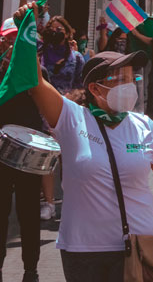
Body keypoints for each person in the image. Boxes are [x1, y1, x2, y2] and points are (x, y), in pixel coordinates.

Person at [23, 38, 153, 282]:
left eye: (131, 78)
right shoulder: (71, 118)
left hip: (141, 246)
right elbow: (35, 81)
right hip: (84, 253)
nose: (129, 86)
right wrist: (27, 31)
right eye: (119, 79)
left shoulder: (143, 125)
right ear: (95, 88)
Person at [0, 17, 45, 281]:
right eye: (9, 37)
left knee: (29, 213)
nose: (13, 42)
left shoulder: (36, 72)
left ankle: (31, 269)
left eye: (18, 38)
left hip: (29, 152)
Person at [38, 15, 84, 223]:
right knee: (46, 161)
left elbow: (81, 86)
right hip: (42, 114)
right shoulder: (40, 55)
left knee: (69, 160)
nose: (55, 32)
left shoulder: (76, 59)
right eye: (52, 28)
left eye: (59, 29)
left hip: (67, 114)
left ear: (67, 33)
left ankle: (71, 201)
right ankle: (48, 203)